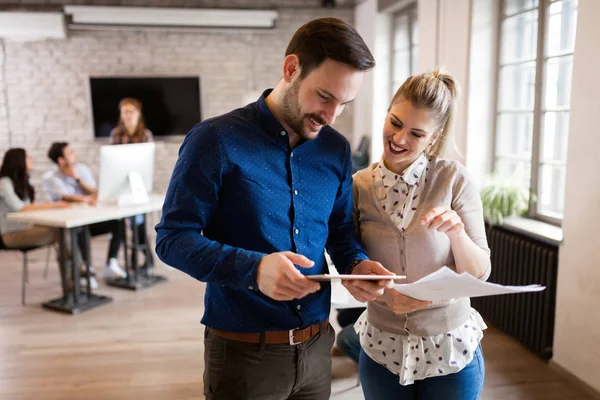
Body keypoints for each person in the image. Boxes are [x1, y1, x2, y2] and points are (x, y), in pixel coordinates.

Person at [155, 18, 394, 400]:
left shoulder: (334, 149)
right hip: (243, 356)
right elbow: (172, 239)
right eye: (325, 96)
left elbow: (340, 232)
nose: (331, 116)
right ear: (291, 69)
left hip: (318, 350)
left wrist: (356, 265)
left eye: (343, 104)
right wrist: (254, 269)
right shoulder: (214, 140)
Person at [352, 71, 491, 400]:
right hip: (381, 347)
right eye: (395, 122)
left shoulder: (454, 180)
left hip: (450, 349)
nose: (399, 138)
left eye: (416, 133)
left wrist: (457, 233)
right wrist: (386, 296)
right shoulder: (359, 185)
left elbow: (480, 273)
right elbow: (351, 265)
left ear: (434, 137)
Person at [42, 142, 127, 287]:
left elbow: (95, 193)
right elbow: (66, 197)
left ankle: (111, 262)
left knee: (118, 222)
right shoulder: (51, 177)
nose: (75, 154)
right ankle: (86, 271)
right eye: (70, 153)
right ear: (61, 160)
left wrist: (77, 179)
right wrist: (86, 198)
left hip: (91, 218)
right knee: (81, 228)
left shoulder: (82, 169)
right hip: (70, 224)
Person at [109, 98, 153, 265]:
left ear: (138, 114)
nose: (127, 115)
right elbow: (112, 161)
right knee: (122, 223)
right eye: (124, 112)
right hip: (121, 184)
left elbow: (147, 161)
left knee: (138, 223)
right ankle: (140, 258)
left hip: (139, 184)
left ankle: (142, 256)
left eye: (131, 111)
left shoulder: (146, 135)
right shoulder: (116, 134)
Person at [0, 148, 69, 251]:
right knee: (62, 232)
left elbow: (29, 207)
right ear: (18, 160)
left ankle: (75, 265)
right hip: (11, 233)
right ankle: (76, 266)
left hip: (26, 227)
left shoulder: (22, 182)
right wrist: (53, 205)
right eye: (27, 157)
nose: (31, 159)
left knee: (64, 228)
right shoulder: (4, 182)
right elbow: (20, 207)